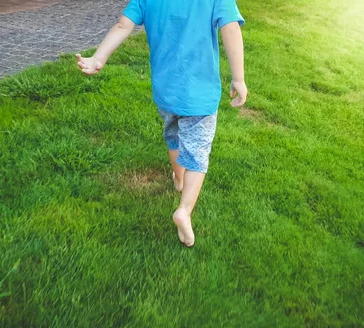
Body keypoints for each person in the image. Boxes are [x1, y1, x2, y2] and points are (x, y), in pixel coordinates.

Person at [76, 0, 247, 247]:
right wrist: (238, 78)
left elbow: (123, 25)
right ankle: (184, 210)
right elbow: (230, 28)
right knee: (198, 151)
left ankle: (178, 178)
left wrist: (98, 59)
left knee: (174, 134)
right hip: (200, 94)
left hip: (166, 91)